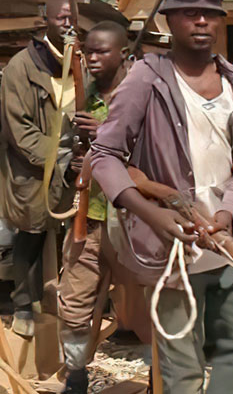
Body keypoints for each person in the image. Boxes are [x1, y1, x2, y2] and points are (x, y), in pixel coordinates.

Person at [90, 0, 233, 394]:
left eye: (210, 10)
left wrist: (229, 213)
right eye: (189, 11)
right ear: (167, 19)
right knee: (181, 365)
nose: (201, 19)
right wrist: (152, 216)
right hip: (172, 248)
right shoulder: (146, 79)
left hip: (232, 239)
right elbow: (104, 156)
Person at [57, 21, 131, 393]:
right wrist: (72, 165)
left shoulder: (139, 98)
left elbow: (152, 154)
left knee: (147, 303)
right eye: (89, 51)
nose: (93, 58)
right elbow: (65, 154)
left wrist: (104, 136)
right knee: (73, 298)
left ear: (124, 55)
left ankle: (162, 377)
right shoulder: (82, 100)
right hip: (89, 215)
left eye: (103, 51)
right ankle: (76, 375)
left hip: (133, 220)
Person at [0, 0, 80, 337]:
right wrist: (59, 156)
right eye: (61, 17)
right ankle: (22, 307)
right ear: (45, 19)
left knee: (71, 239)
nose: (67, 23)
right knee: (31, 235)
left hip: (72, 164)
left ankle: (66, 305)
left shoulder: (80, 61)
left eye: (72, 18)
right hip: (31, 166)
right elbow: (20, 131)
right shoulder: (21, 66)